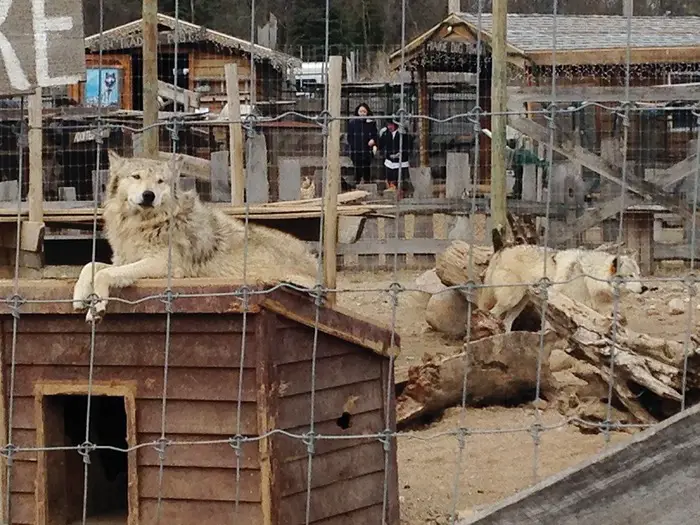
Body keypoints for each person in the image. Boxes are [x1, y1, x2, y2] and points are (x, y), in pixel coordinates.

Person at [377, 119, 414, 198]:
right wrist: (385, 153)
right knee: (390, 177)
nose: (389, 127)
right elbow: (381, 145)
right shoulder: (385, 134)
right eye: (388, 125)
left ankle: (402, 193)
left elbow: (408, 146)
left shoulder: (403, 134)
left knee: (401, 178)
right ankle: (392, 191)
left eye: (391, 125)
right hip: (389, 161)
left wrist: (401, 154)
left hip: (401, 161)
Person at [346, 103, 378, 184]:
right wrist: (353, 145)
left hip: (367, 150)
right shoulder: (352, 123)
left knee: (367, 169)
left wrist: (373, 140)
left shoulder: (371, 123)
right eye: (360, 111)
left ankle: (367, 184)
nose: (362, 113)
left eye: (364, 111)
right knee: (357, 169)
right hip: (356, 150)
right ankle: (357, 185)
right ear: (357, 112)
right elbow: (349, 137)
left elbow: (375, 135)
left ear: (367, 112)